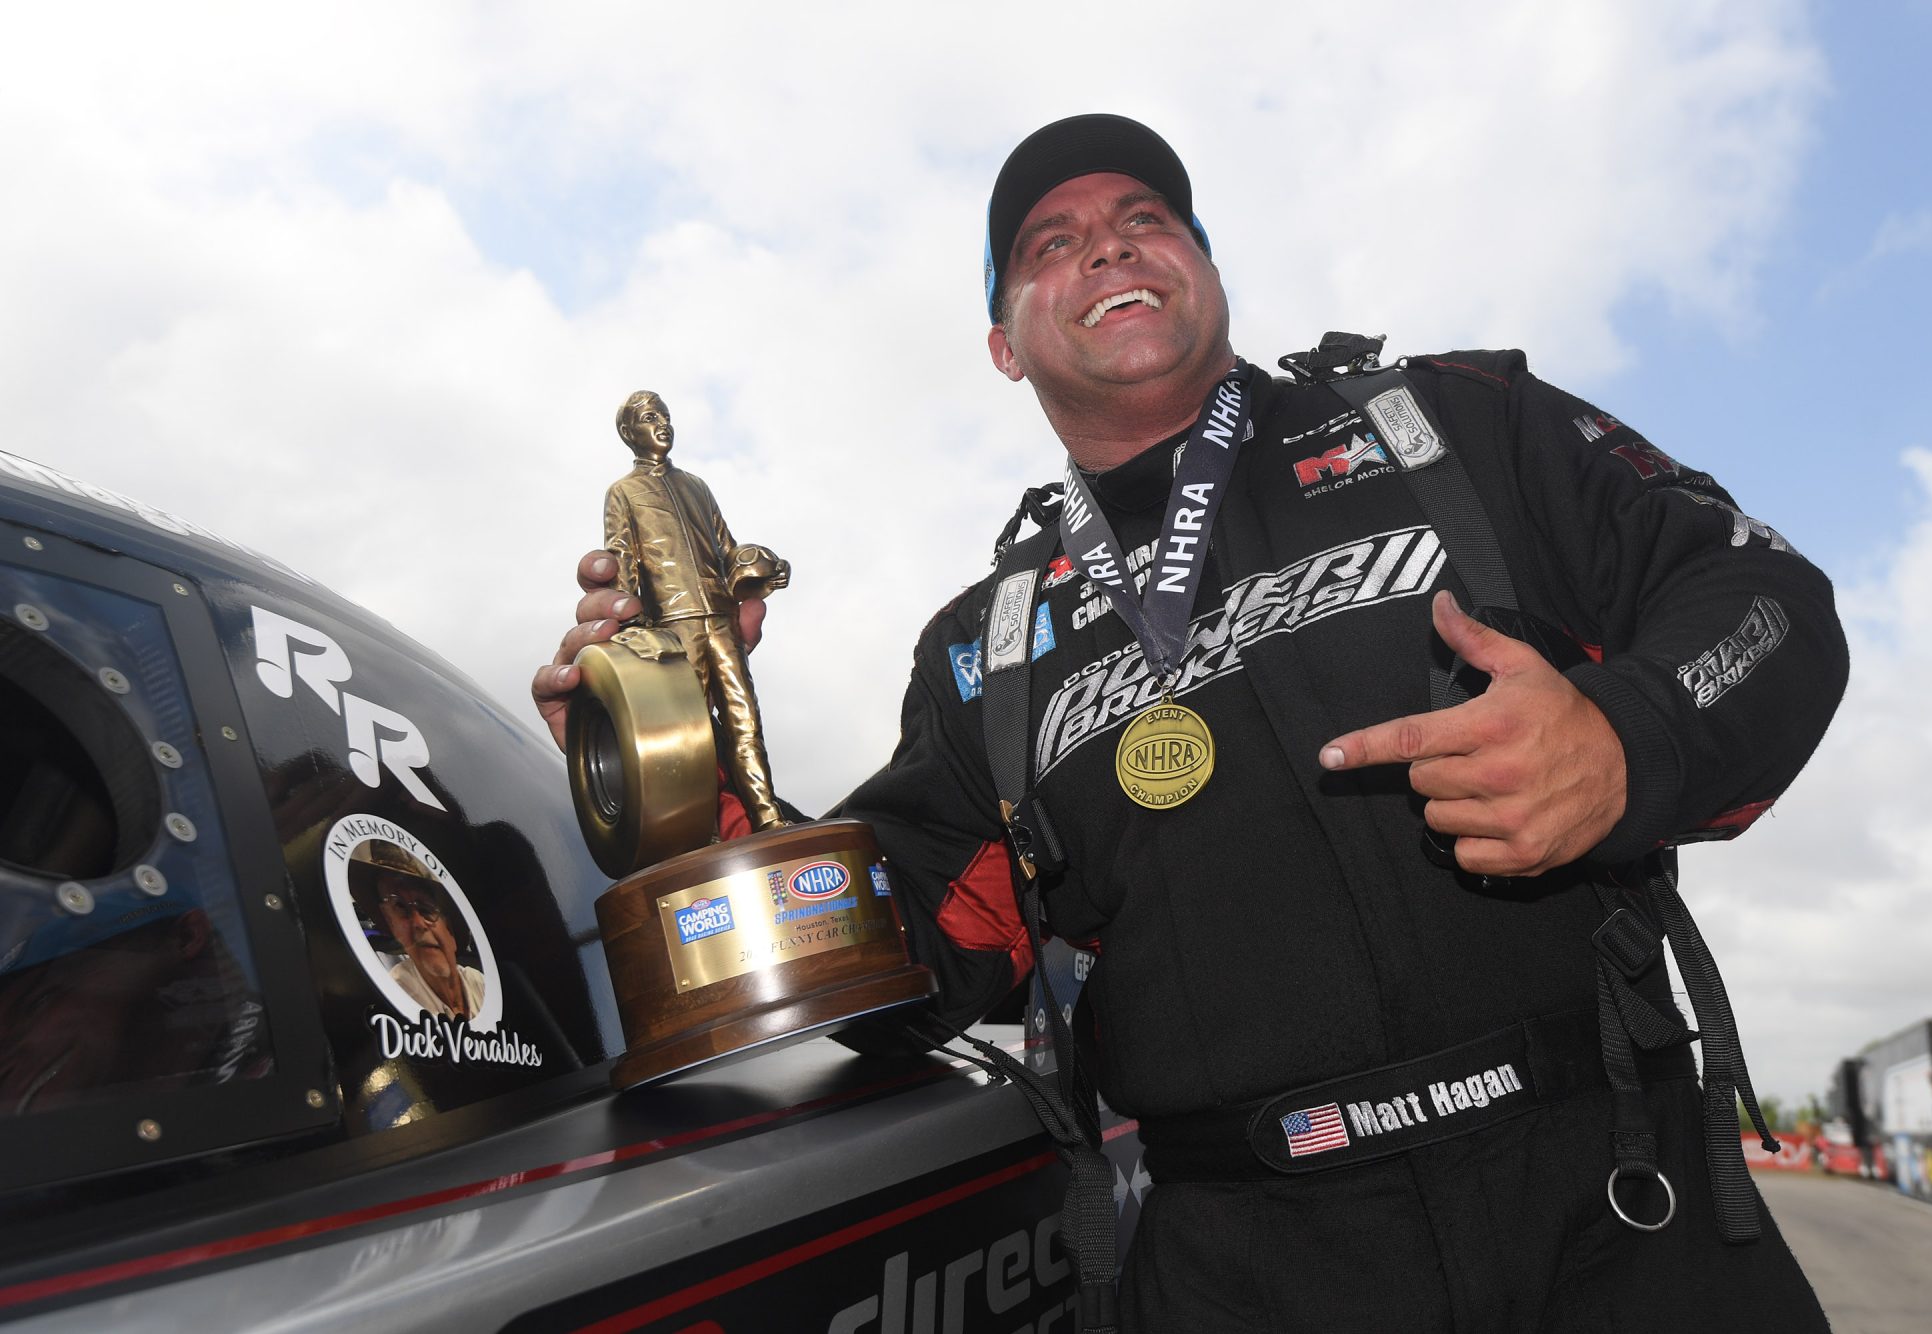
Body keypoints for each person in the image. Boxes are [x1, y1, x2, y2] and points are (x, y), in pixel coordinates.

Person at [534, 115, 1846, 1331]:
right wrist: (688, 756)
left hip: (1617, 1205)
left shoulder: (1457, 425)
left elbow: (1765, 597)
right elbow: (899, 959)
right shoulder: (988, 646)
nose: (1105, 241)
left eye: (1145, 215)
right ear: (1005, 342)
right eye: (1050, 243)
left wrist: (1625, 740)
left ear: (1206, 271)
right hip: (1253, 1265)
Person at [600, 390, 791, 832]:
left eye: (665, 415)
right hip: (673, 626)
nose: (662, 423)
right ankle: (702, 833)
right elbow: (623, 558)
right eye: (650, 418)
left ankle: (768, 818)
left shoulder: (697, 485)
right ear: (629, 434)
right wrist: (628, 628)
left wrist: (765, 568)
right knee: (691, 735)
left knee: (746, 719)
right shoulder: (623, 492)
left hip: (721, 618)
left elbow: (726, 550)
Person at [353, 840, 485, 1020]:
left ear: (451, 930)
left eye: (426, 909)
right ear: (392, 925)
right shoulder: (395, 995)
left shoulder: (477, 983)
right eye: (399, 907)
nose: (417, 923)